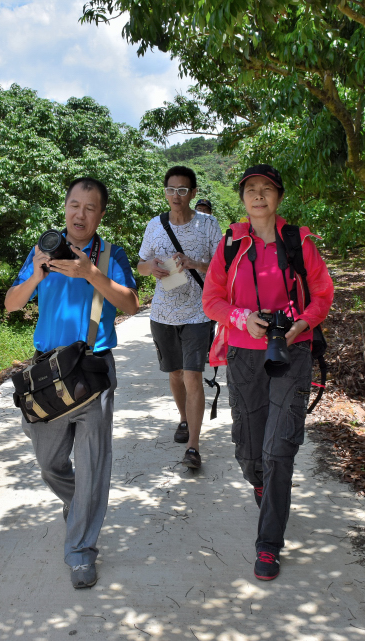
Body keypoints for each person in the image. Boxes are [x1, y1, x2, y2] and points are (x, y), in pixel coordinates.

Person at [4, 177, 139, 589]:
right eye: (74, 205)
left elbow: (131, 303)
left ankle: (81, 549)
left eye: (90, 207)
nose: (80, 214)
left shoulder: (111, 255)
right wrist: (37, 276)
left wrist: (91, 273)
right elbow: (11, 304)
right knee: (49, 464)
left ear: (100, 215)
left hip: (92, 371)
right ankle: (80, 504)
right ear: (65, 207)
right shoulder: (42, 250)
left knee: (94, 464)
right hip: (47, 372)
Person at [202, 165, 334, 581]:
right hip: (243, 354)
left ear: (278, 197)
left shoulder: (299, 242)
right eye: (251, 190)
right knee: (249, 449)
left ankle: (268, 544)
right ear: (242, 198)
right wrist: (242, 318)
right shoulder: (231, 245)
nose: (258, 196)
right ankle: (260, 483)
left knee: (279, 448)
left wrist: (302, 325)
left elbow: (323, 294)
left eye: (267, 190)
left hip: (292, 351)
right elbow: (212, 300)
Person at [137, 166, 222, 469]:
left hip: (199, 313)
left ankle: (193, 447)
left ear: (194, 193)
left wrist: (194, 263)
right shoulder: (154, 225)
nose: (177, 195)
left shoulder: (209, 225)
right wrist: (153, 269)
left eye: (183, 190)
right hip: (162, 313)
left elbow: (222, 268)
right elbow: (140, 264)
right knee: (175, 374)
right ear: (165, 192)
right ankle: (184, 419)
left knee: (192, 375)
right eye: (171, 189)